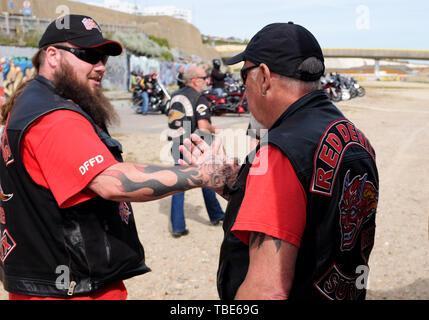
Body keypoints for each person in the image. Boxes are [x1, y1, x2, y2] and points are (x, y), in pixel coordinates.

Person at [0, 14, 238, 300]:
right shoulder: (54, 116)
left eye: (104, 57)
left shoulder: (32, 101)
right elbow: (113, 182)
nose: (100, 66)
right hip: (71, 290)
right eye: (89, 55)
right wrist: (202, 175)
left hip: (49, 279)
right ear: (52, 55)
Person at [183, 22, 379, 300]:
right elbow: (316, 216)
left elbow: (267, 290)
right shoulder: (356, 138)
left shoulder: (280, 151)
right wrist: (233, 187)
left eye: (244, 76)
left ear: (263, 76)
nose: (243, 90)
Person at [167, 65, 225, 237]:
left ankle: (182, 225)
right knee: (205, 179)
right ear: (195, 80)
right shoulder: (199, 98)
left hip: (176, 144)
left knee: (181, 185)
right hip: (194, 147)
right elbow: (203, 127)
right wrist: (215, 129)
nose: (208, 80)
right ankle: (213, 216)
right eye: (204, 77)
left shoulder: (175, 95)